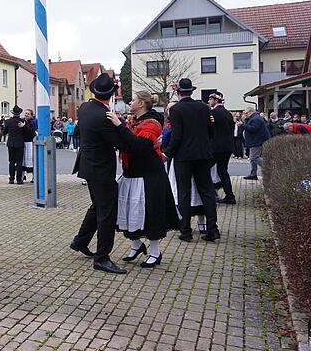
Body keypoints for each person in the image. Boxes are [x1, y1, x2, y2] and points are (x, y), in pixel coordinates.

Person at [71, 73, 153, 274]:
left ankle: (80, 241)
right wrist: (122, 125)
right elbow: (124, 144)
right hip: (100, 169)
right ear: (110, 95)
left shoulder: (86, 108)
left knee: (97, 206)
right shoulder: (105, 116)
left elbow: (77, 133)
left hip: (88, 166)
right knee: (107, 213)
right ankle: (102, 258)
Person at [113, 91, 179, 268]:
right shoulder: (133, 121)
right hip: (132, 173)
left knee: (150, 212)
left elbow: (138, 146)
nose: (130, 102)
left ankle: (155, 252)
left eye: (133, 99)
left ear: (141, 103)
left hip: (149, 175)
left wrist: (119, 126)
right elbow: (126, 142)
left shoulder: (152, 123)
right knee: (130, 212)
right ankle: (136, 246)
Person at [164, 78, 219, 242]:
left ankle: (186, 230)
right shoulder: (204, 107)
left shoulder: (176, 109)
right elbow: (211, 132)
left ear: (178, 92)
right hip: (203, 154)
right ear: (191, 91)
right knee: (207, 191)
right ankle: (212, 229)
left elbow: (177, 136)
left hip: (184, 156)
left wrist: (168, 153)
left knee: (184, 192)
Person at [208, 92, 236, 204]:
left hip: (217, 147)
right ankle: (230, 196)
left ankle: (212, 194)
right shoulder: (227, 113)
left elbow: (210, 129)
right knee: (223, 171)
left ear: (215, 100)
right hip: (228, 146)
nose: (209, 101)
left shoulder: (213, 113)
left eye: (210, 99)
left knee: (204, 169)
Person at [5, 106, 31, 185]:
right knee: (19, 162)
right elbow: (27, 133)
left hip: (11, 143)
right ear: (19, 113)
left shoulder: (8, 121)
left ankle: (11, 179)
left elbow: (4, 132)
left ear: (13, 113)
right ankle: (19, 179)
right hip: (20, 143)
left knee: (11, 162)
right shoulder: (22, 121)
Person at [242, 107, 270, 180]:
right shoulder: (252, 118)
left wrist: (243, 125)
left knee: (254, 157)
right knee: (252, 159)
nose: (245, 114)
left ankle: (268, 169)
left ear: (251, 112)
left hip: (257, 141)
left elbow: (253, 129)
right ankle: (253, 174)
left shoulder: (256, 119)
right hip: (254, 141)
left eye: (246, 113)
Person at [22, 109, 36, 182]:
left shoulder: (33, 122)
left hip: (30, 143)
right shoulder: (23, 121)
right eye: (25, 113)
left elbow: (32, 132)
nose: (26, 115)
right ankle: (23, 176)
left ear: (31, 115)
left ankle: (34, 177)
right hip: (23, 143)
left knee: (31, 160)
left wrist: (24, 126)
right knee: (22, 160)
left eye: (28, 114)